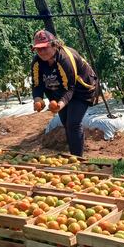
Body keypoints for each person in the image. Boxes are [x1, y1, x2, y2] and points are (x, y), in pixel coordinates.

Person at [30, 29, 98, 157]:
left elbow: (70, 88)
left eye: (45, 48)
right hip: (59, 90)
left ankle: (78, 159)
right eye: (39, 49)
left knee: (73, 123)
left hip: (81, 89)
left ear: (54, 45)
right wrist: (37, 99)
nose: (42, 52)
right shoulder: (37, 62)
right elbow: (37, 84)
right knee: (66, 122)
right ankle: (74, 155)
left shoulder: (64, 59)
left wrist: (59, 105)